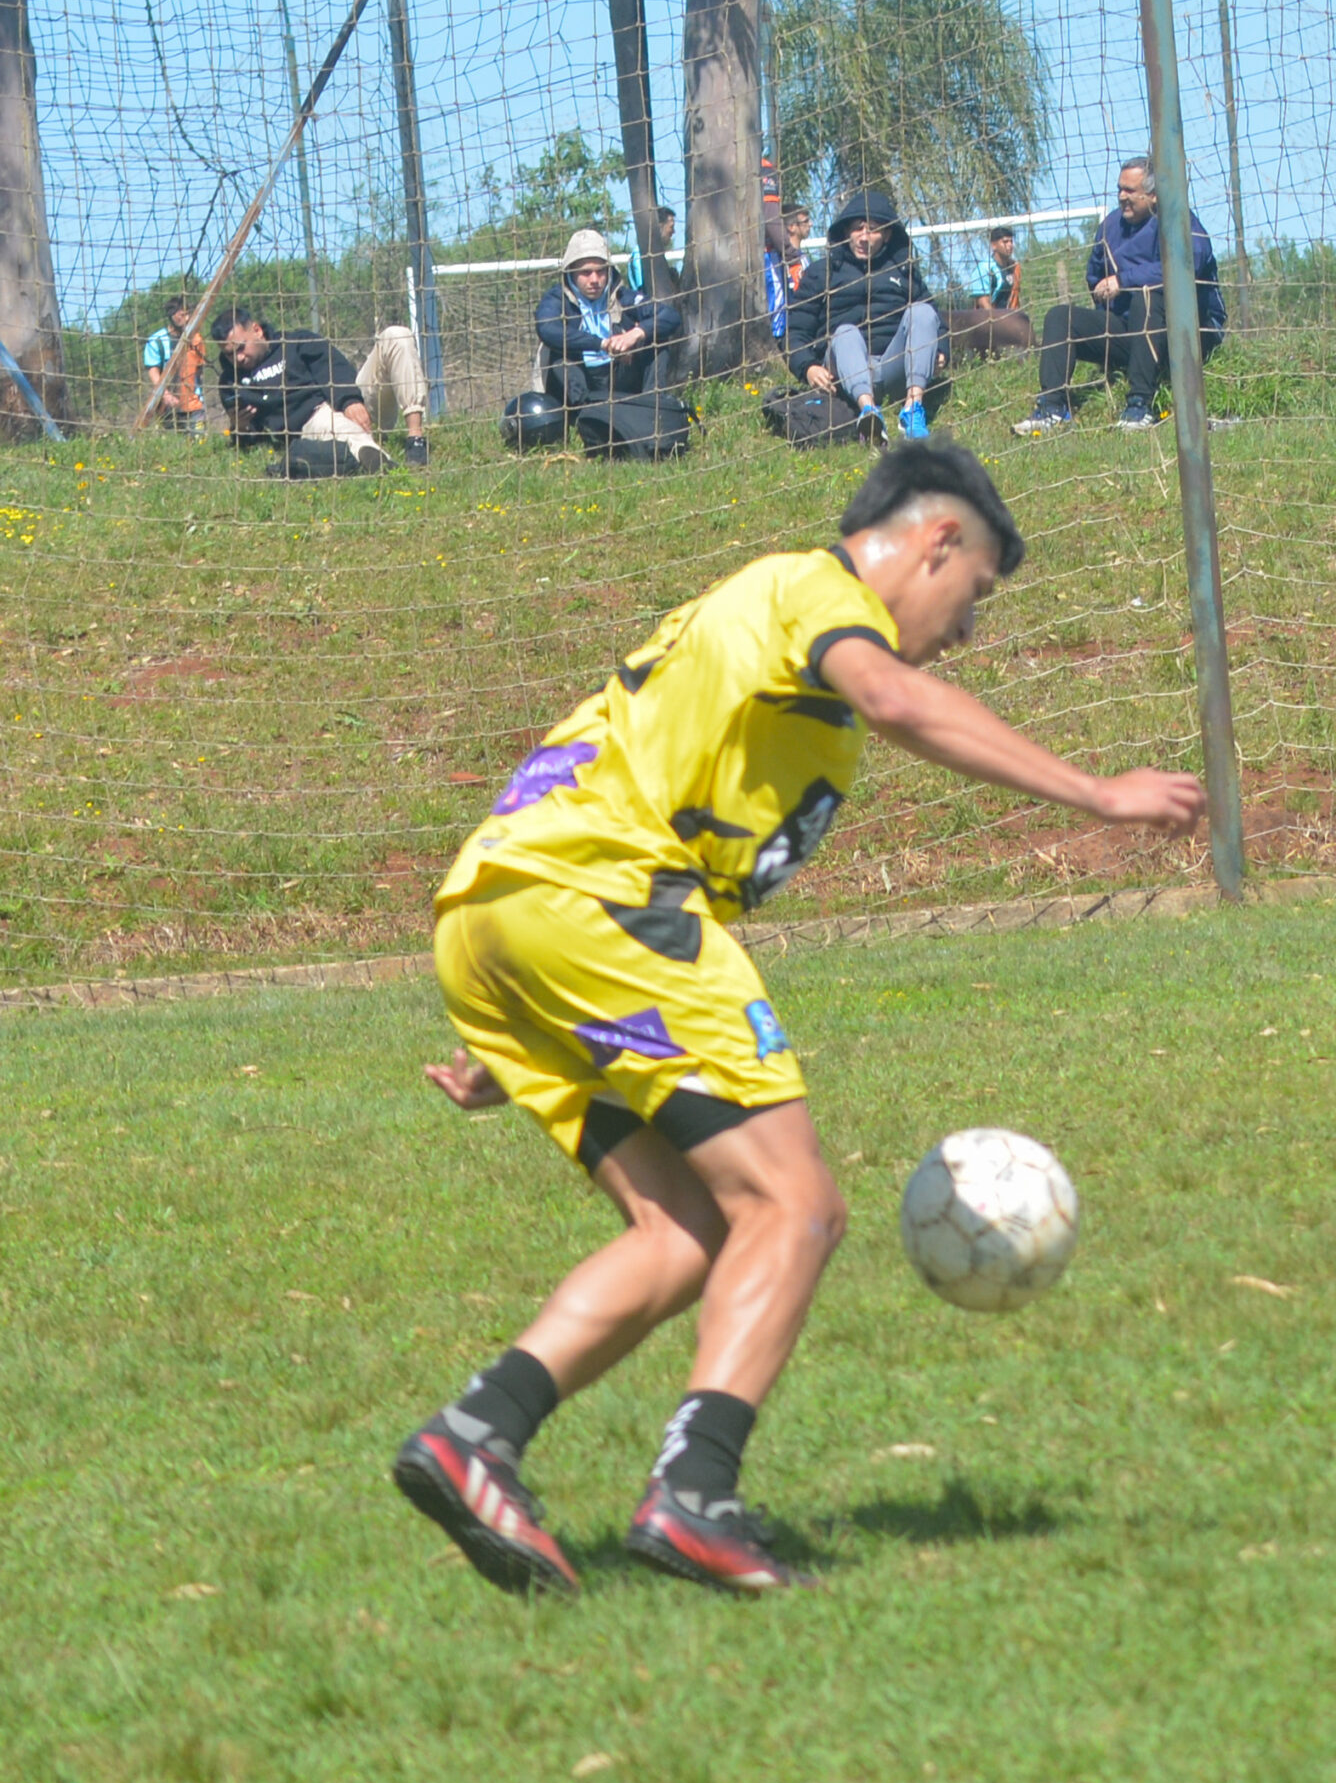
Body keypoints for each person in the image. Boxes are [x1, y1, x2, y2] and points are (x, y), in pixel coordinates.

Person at [395, 443, 1207, 1595]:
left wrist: (531, 1019)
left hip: (500, 912)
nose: (965, 631)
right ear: (935, 541)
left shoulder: (745, 616)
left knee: (684, 1228)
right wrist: (1096, 792)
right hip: (609, 901)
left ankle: (474, 1437)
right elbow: (895, 697)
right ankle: (696, 1497)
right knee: (797, 1204)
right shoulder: (815, 592)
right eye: (974, 594)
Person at [1013, 163, 1224, 437]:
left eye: (1130, 190)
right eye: (1119, 189)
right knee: (1060, 316)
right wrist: (1102, 291)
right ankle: (1052, 407)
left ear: (1154, 195)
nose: (1122, 196)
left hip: (1186, 333)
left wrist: (1124, 280)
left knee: (1146, 296)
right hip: (1129, 331)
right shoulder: (1110, 227)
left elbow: (1186, 265)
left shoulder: (1179, 220)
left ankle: (1140, 405)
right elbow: (1094, 276)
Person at [787, 190, 941, 443]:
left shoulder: (903, 270)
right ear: (846, 231)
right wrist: (808, 367)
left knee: (922, 311)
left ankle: (913, 409)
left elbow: (935, 320)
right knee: (845, 331)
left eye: (873, 230)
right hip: (843, 372)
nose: (864, 237)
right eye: (858, 228)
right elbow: (796, 330)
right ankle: (869, 413)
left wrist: (942, 350)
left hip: (894, 367)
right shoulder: (822, 272)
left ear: (887, 235)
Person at [213, 309, 432, 470]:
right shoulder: (232, 383)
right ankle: (386, 468)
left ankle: (416, 438)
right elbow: (256, 441)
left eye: (241, 348)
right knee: (343, 430)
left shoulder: (295, 341)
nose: (238, 358)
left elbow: (334, 366)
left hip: (354, 398)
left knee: (396, 335)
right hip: (315, 418)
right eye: (229, 354)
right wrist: (240, 428)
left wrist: (350, 401)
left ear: (257, 330)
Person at [534, 229, 686, 411]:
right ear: (571, 273)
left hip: (619, 373)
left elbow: (669, 316)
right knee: (558, 352)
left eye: (601, 271)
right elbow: (547, 328)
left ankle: (651, 408)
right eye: (586, 272)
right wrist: (602, 344)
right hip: (579, 379)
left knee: (656, 339)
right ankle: (582, 414)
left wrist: (634, 335)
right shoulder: (557, 298)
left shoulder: (622, 296)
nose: (595, 280)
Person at [952, 225, 1033, 358]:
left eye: (1011, 241)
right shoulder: (984, 269)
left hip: (1010, 320)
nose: (1010, 245)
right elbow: (983, 302)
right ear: (994, 245)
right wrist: (999, 323)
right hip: (987, 325)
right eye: (1005, 242)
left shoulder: (1014, 267)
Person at [141, 296, 206, 434]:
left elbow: (200, 371)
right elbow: (153, 372)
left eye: (188, 314)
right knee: (174, 441)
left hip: (194, 404)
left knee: (199, 440)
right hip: (167, 407)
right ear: (172, 315)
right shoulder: (156, 341)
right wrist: (165, 395)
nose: (186, 318)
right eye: (182, 314)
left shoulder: (196, 339)